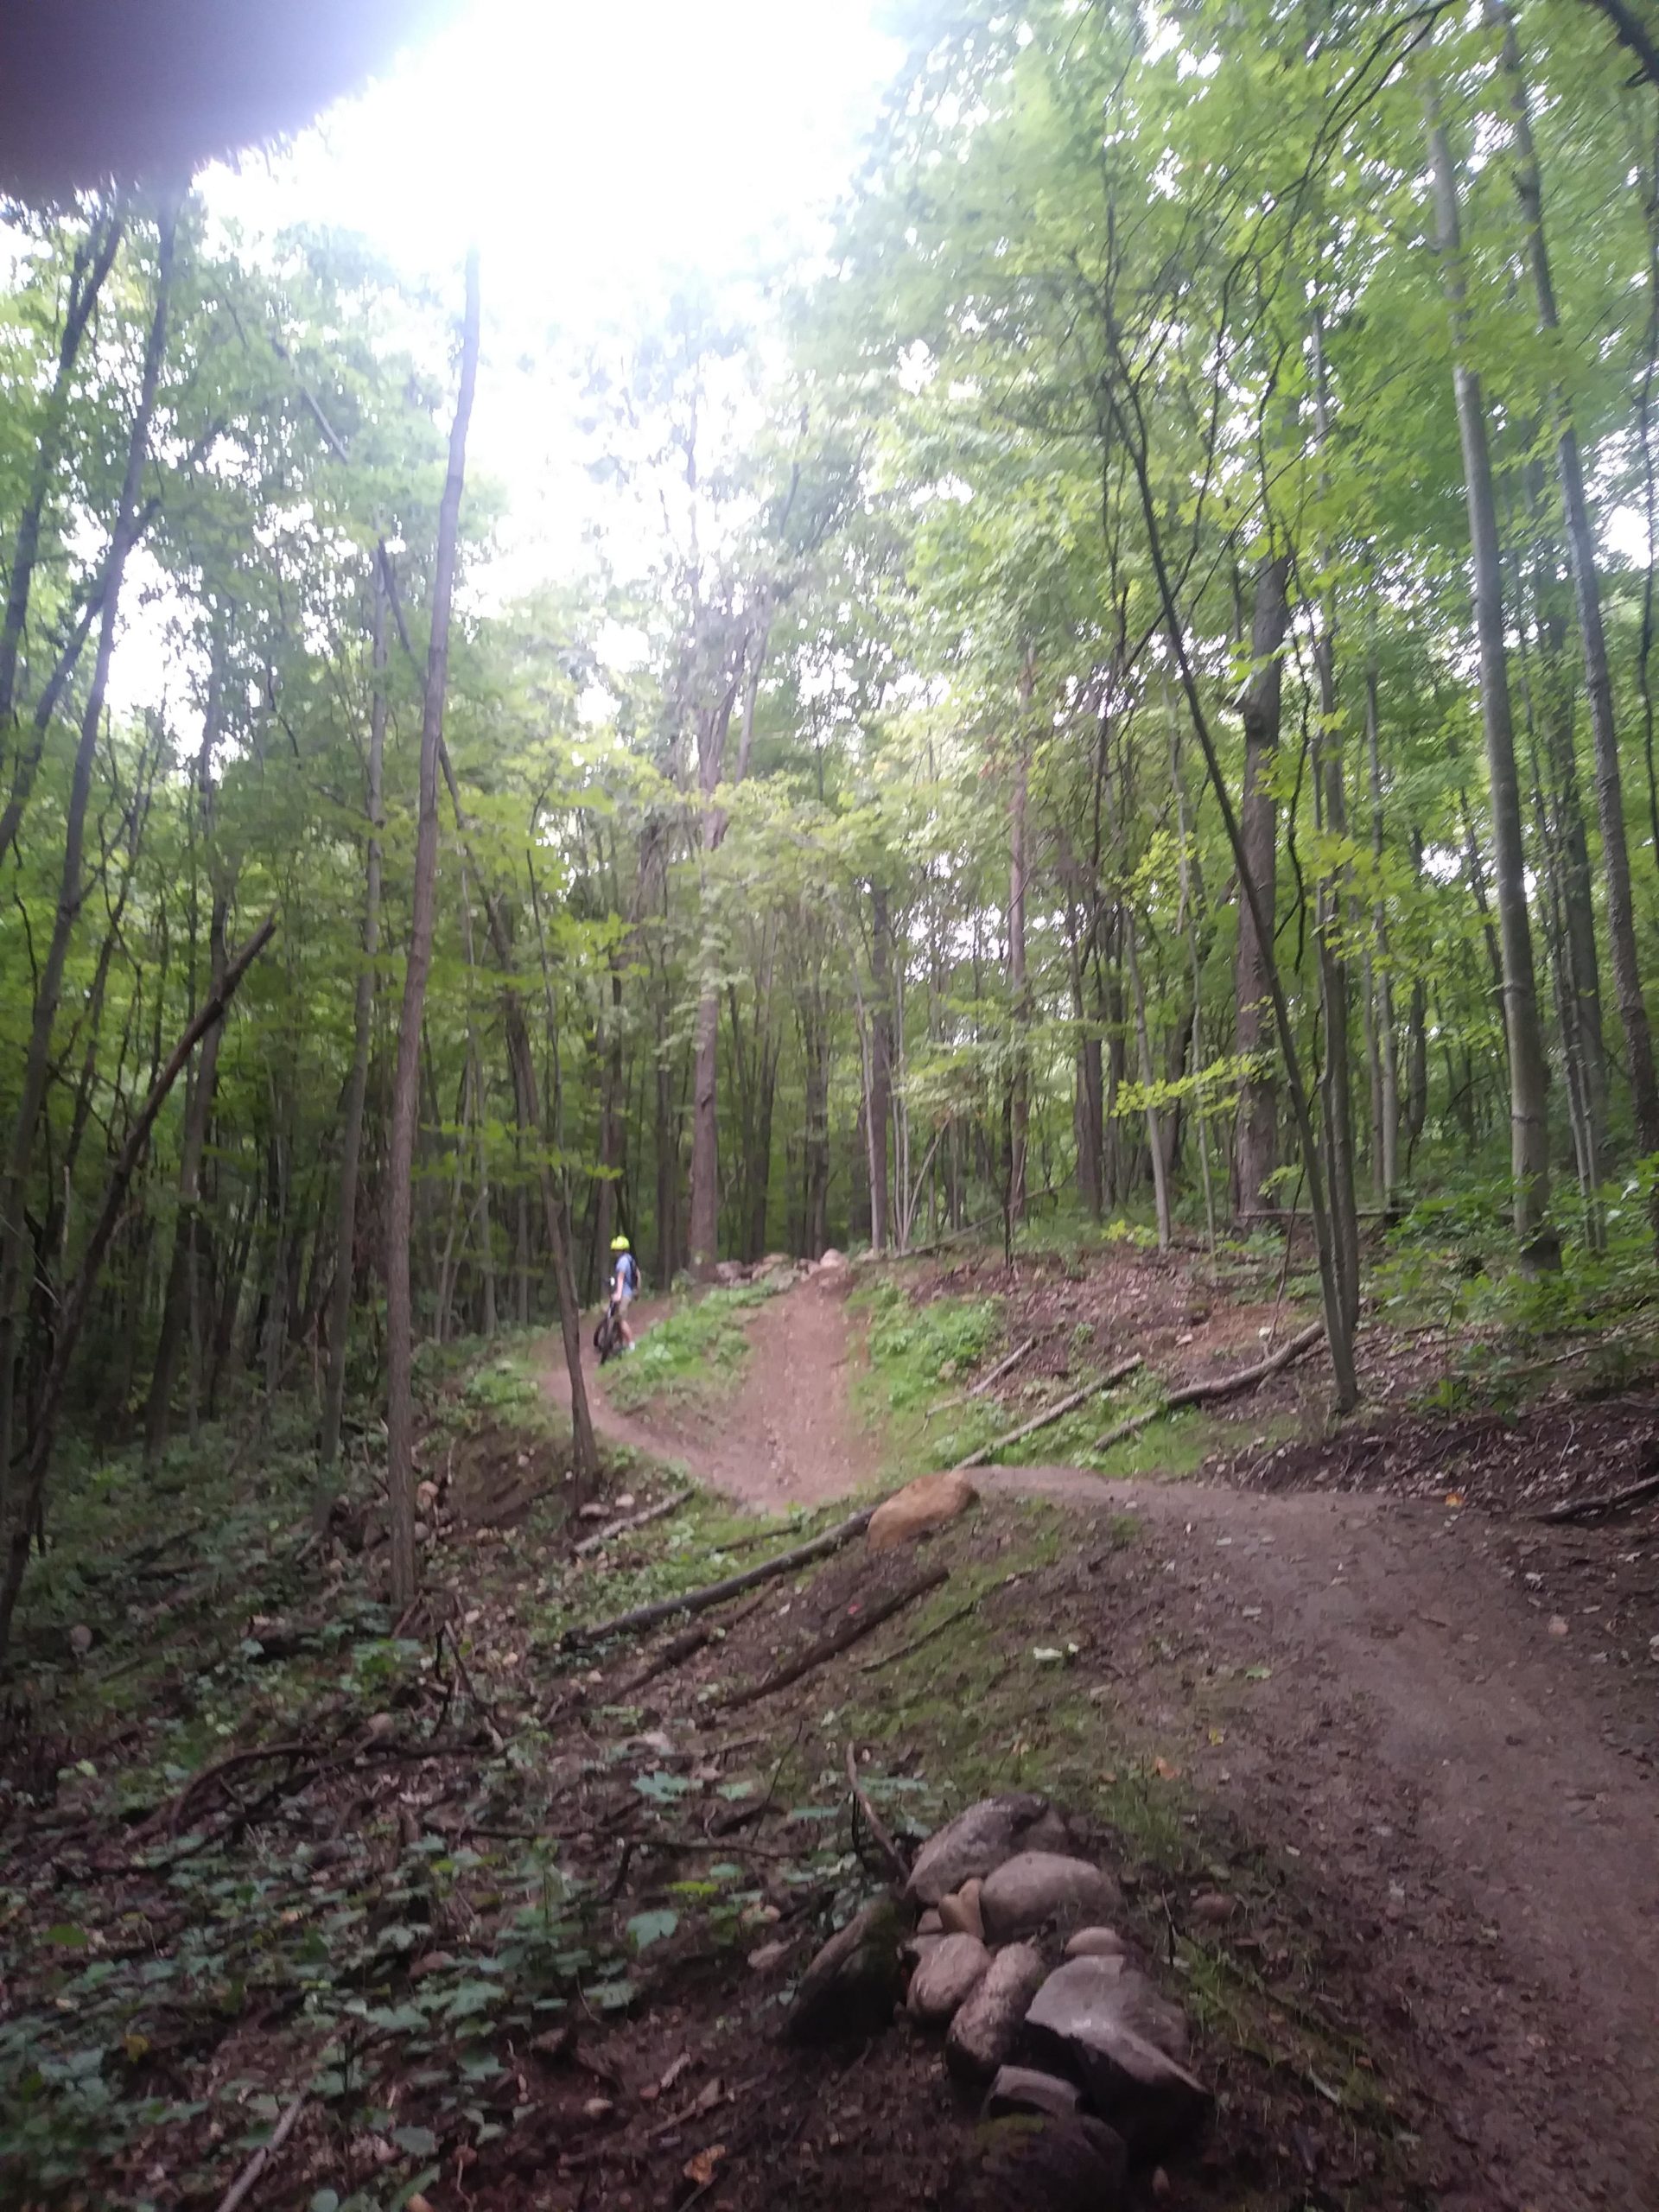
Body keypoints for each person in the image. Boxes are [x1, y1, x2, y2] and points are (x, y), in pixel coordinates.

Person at [609, 1233, 640, 1351]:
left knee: (621, 1320)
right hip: (630, 1292)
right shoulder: (630, 1259)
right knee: (617, 1317)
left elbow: (621, 1278)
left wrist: (618, 1293)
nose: (615, 1252)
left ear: (622, 1250)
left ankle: (631, 1345)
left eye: (617, 1250)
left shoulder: (622, 1262)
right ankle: (620, 1343)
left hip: (625, 1294)